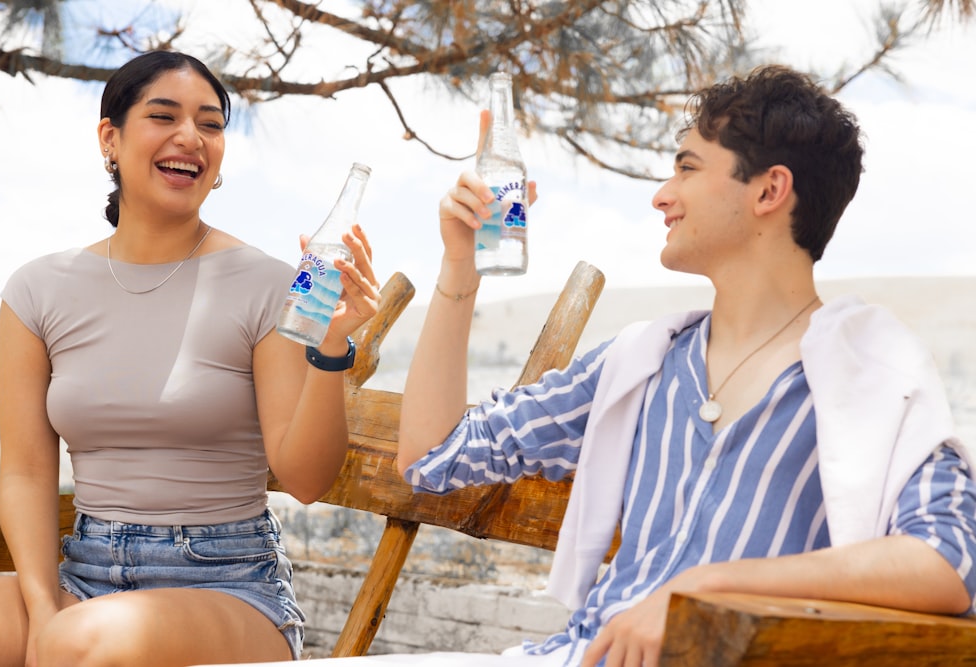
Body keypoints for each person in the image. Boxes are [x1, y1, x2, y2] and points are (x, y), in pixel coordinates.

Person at [280, 64, 976, 667]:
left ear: (768, 191)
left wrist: (702, 586)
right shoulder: (643, 363)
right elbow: (433, 457)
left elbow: (948, 562)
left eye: (687, 166)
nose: (660, 195)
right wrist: (460, 264)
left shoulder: (873, 378)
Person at [0, 50, 380, 667]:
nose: (190, 137)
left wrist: (332, 346)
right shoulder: (37, 291)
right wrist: (40, 607)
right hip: (84, 576)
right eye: (163, 116)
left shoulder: (267, 283)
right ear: (110, 138)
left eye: (210, 124)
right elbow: (29, 472)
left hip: (228, 587)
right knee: (45, 633)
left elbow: (304, 479)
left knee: (75, 643)